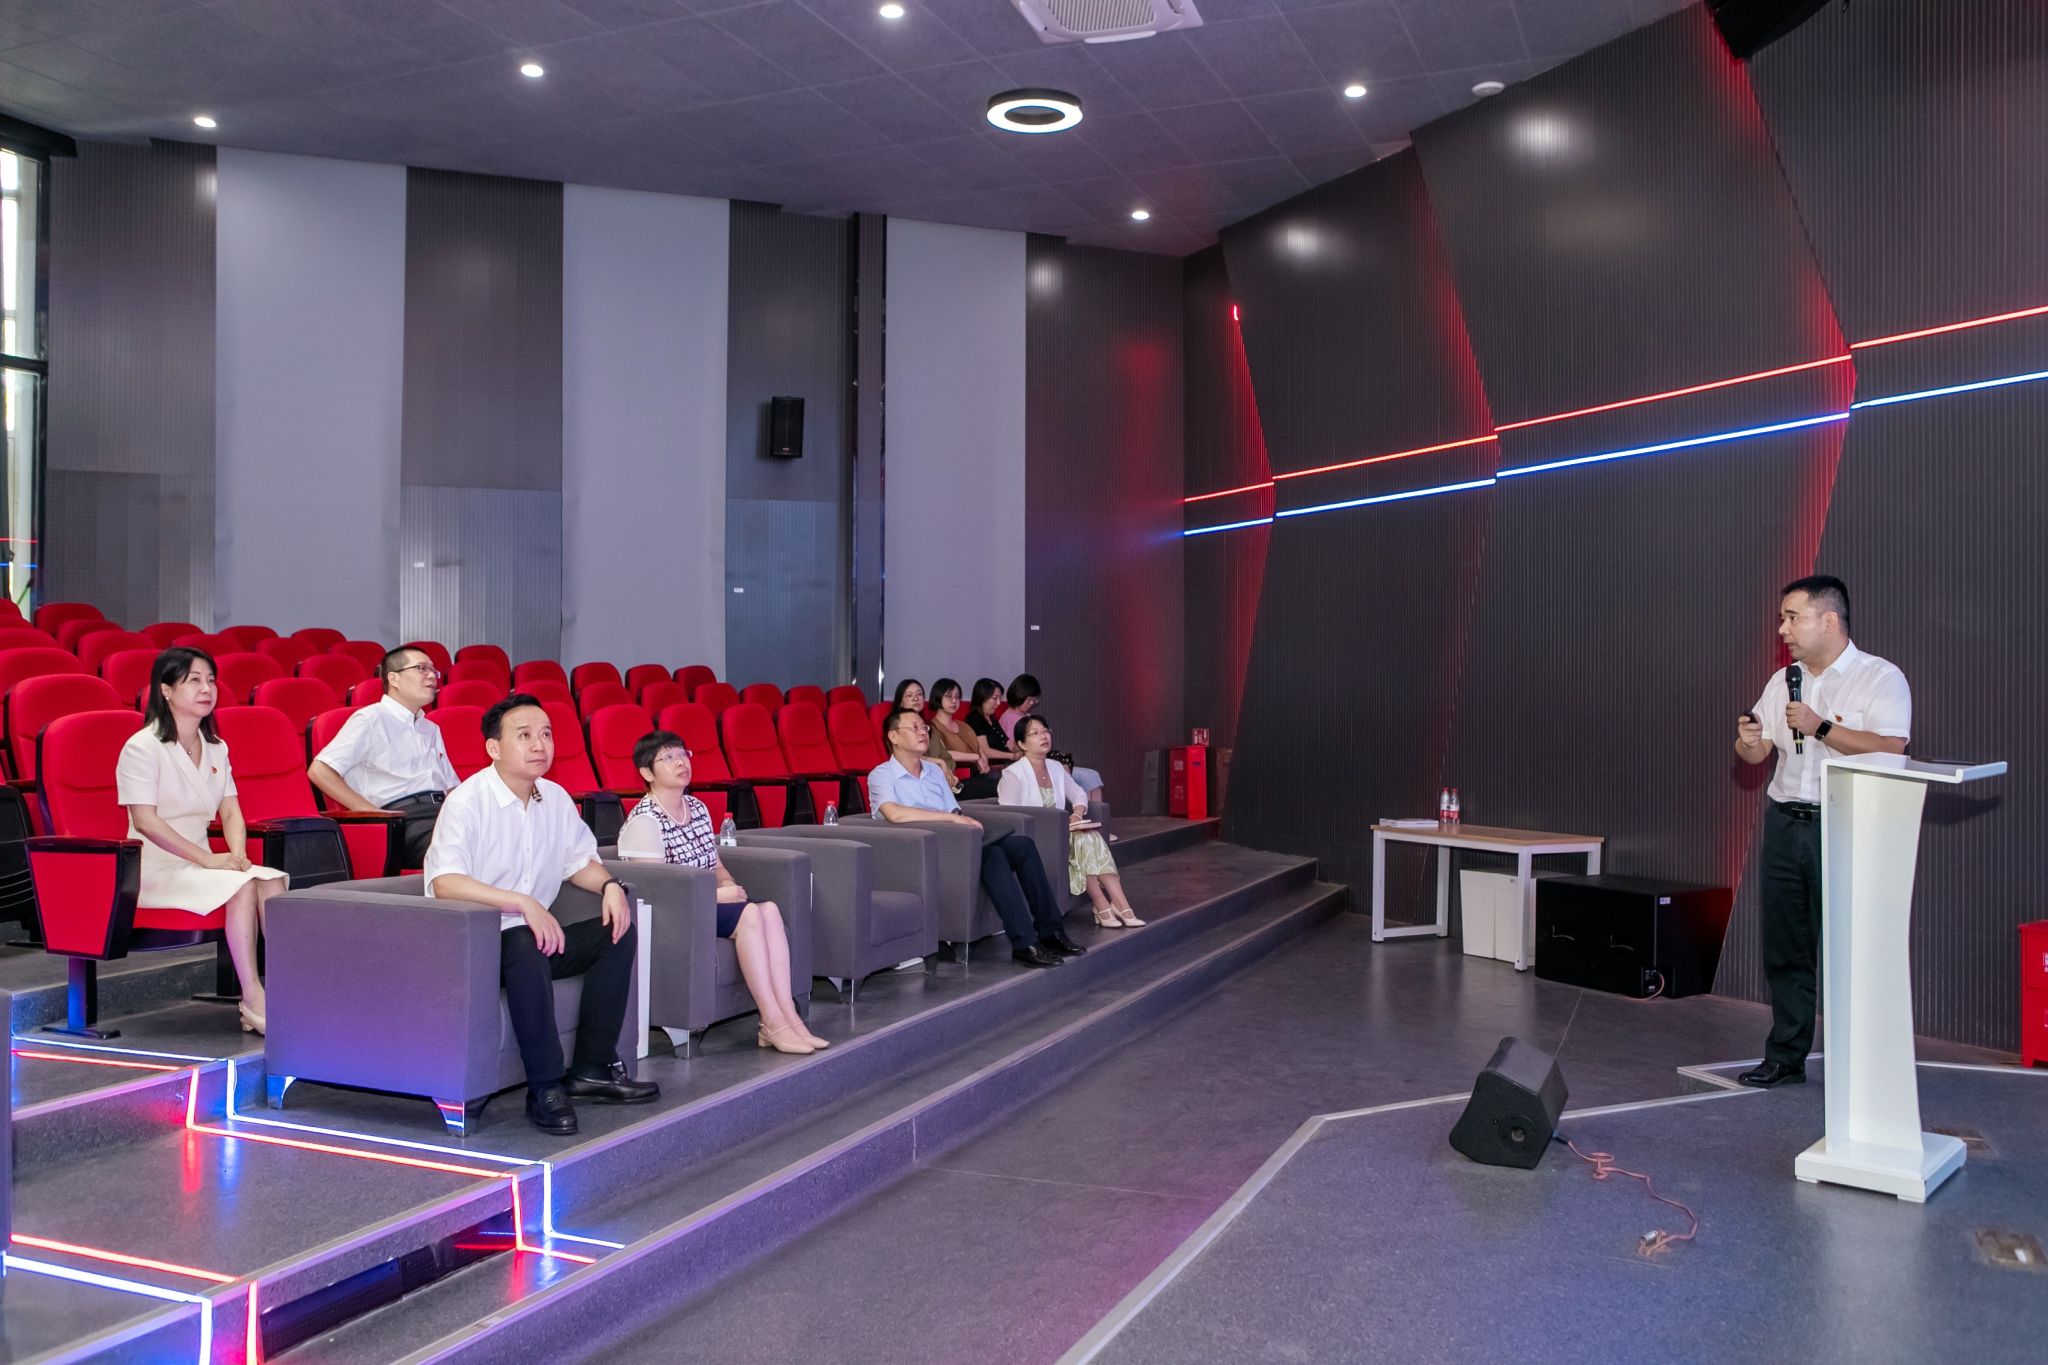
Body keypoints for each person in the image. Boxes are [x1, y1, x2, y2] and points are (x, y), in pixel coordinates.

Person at [424, 693, 657, 1134]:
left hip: (533, 940)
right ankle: (545, 1087)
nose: (539, 745)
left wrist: (610, 885)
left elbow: (579, 862)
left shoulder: (555, 797)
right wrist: (521, 902)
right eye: (525, 735)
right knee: (522, 939)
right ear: (494, 747)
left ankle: (592, 1069)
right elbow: (446, 883)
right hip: (475, 946)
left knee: (616, 931)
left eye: (546, 734)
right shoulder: (467, 802)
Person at [1734, 575, 1910, 1089]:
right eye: (1782, 618)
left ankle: (1865, 1066)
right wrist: (1747, 740)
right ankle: (1786, 1057)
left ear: (1829, 620)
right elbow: (1755, 755)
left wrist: (1821, 727)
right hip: (1786, 824)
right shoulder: (1783, 681)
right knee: (1786, 947)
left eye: (1793, 617)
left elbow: (1892, 746)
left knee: (1853, 948)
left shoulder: (1878, 677)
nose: (1782, 629)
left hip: (1848, 824)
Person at [617, 729, 826, 1056]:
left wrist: (726, 883)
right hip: (675, 914)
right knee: (751, 914)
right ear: (647, 772)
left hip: (705, 903)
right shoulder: (645, 821)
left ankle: (789, 1017)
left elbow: (714, 864)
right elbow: (658, 891)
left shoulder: (697, 807)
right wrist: (715, 898)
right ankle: (771, 1022)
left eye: (682, 754)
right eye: (668, 757)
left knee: (770, 909)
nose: (680, 762)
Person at [117, 647, 288, 1034]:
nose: (206, 688)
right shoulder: (142, 747)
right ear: (165, 690)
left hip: (199, 865)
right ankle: (252, 996)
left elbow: (231, 811)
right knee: (242, 887)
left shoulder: (216, 747)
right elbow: (145, 821)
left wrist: (238, 854)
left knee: (270, 879)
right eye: (193, 680)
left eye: (211, 680)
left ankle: (286, 989)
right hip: (154, 869)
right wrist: (208, 859)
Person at [869, 708, 1082, 970]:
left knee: (1022, 846)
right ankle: (1024, 943)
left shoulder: (934, 771)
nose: (923, 732)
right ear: (893, 736)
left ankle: (1051, 931)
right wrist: (951, 821)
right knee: (993, 856)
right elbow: (894, 814)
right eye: (914, 728)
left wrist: (961, 823)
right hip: (921, 851)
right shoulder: (882, 774)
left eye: (924, 727)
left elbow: (953, 809)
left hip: (956, 842)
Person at [309, 645, 459, 867]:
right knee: (463, 850)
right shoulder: (370, 719)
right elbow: (319, 771)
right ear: (394, 678)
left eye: (433, 670)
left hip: (444, 813)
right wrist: (375, 814)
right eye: (421, 668)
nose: (431, 676)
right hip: (405, 821)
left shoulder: (431, 728)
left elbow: (451, 787)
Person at [1000, 714, 1141, 929]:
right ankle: (1113, 905)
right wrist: (1053, 827)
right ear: (1022, 744)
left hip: (1062, 834)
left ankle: (1110, 905)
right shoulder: (1013, 774)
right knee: (1084, 839)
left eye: (1045, 731)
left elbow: (1079, 794)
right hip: (1032, 838)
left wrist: (1076, 814)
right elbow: (1011, 817)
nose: (1043, 736)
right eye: (1035, 733)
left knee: (1087, 837)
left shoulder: (1055, 767)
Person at [1001, 673, 1104, 801]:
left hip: (1044, 761)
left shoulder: (1027, 716)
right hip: (1035, 763)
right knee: (1085, 779)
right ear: (1018, 695)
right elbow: (1013, 748)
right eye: (1029, 699)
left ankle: (1092, 812)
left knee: (1093, 776)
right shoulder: (1010, 718)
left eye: (1035, 699)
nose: (1032, 703)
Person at [928, 677, 997, 800]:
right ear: (938, 697)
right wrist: (976, 757)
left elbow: (978, 747)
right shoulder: (931, 727)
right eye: (949, 696)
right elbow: (944, 754)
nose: (954, 701)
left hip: (977, 774)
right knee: (997, 785)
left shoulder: (964, 726)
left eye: (957, 697)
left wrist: (982, 756)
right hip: (955, 779)